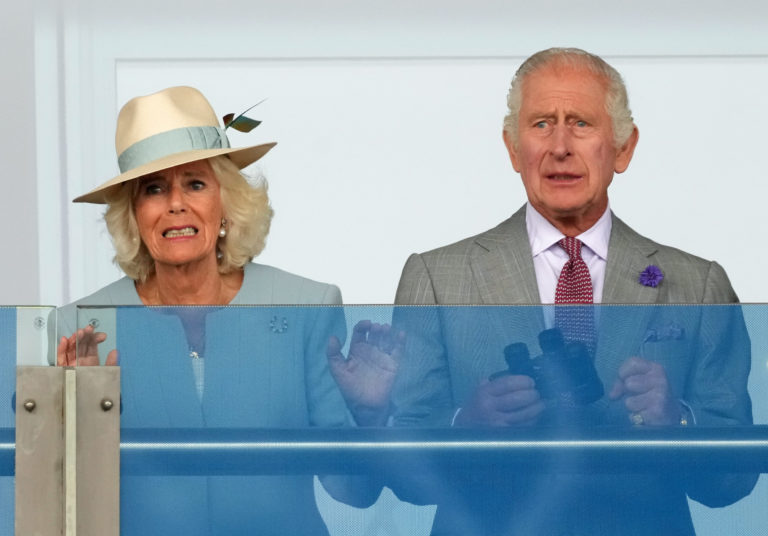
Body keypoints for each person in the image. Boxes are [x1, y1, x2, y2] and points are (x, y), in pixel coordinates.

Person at [391, 48, 756, 535]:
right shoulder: (436, 278)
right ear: (513, 147)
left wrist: (679, 423)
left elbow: (733, 481)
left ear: (623, 148)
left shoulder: (699, 284)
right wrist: (465, 427)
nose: (559, 145)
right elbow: (403, 477)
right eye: (541, 123)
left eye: (581, 123)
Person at [57, 86, 395, 535]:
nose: (176, 203)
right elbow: (66, 505)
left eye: (195, 184)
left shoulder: (307, 307)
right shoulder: (81, 326)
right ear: (133, 214)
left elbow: (354, 492)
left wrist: (369, 419)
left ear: (226, 206)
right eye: (154, 189)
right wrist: (82, 425)